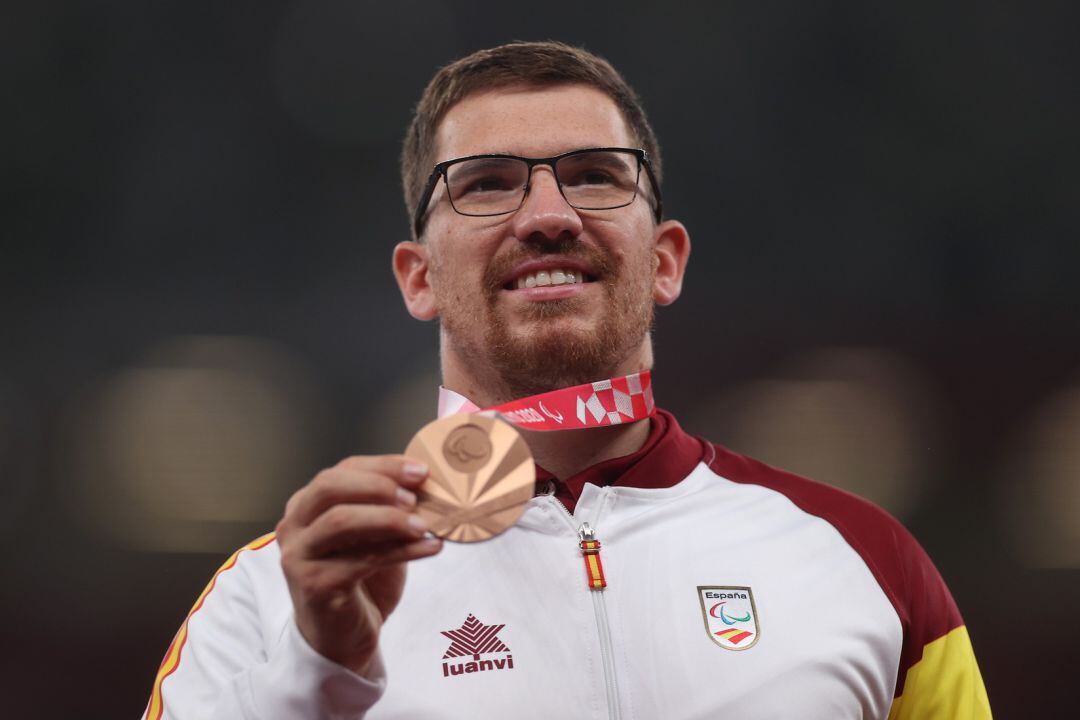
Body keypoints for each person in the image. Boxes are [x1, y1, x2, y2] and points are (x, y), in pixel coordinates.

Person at [143, 41, 991, 719]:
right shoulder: (270, 596)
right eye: (485, 185)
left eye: (594, 175)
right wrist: (315, 674)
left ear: (664, 260)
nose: (548, 216)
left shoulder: (864, 562)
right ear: (418, 278)